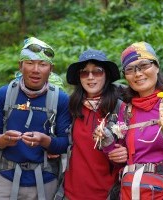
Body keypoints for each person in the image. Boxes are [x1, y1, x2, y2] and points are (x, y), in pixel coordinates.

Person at [95, 41, 163, 199]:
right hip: (131, 190)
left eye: (144, 65)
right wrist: (108, 145)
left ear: (157, 66)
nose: (138, 74)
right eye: (130, 69)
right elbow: (122, 161)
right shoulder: (126, 110)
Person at [0, 37, 71, 200]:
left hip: (45, 179)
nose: (36, 69)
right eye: (29, 62)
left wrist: (45, 141)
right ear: (20, 66)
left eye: (42, 64)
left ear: (51, 69)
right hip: (6, 177)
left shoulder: (61, 99)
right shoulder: (4, 94)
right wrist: (3, 140)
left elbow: (66, 143)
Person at [64, 49, 128, 200]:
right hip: (71, 193)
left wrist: (125, 153)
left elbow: (136, 146)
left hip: (108, 193)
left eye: (97, 72)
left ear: (106, 75)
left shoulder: (121, 108)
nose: (90, 77)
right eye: (84, 72)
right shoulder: (72, 107)